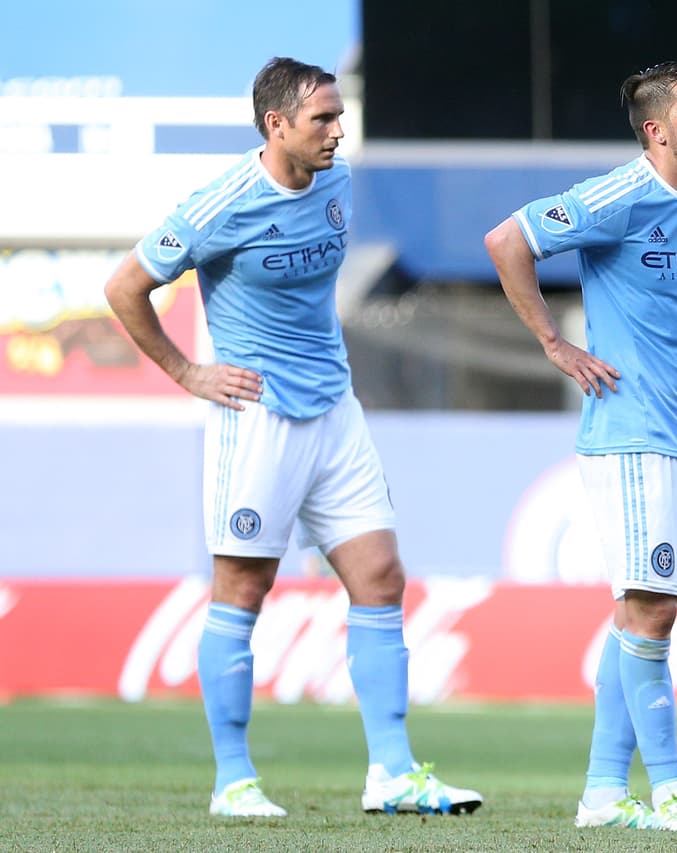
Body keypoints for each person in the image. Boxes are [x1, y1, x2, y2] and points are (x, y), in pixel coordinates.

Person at [103, 57, 482, 819]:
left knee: (381, 576)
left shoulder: (337, 183)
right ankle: (234, 782)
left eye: (339, 116)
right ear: (276, 125)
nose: (338, 131)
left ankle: (393, 773)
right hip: (259, 417)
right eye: (323, 119)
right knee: (244, 588)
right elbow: (124, 286)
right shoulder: (224, 203)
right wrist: (188, 371)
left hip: (334, 409)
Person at [483, 60, 677, 832]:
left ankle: (601, 792)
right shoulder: (619, 195)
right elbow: (506, 240)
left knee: (648, 613)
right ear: (657, 131)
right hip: (628, 434)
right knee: (649, 610)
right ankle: (671, 791)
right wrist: (554, 342)